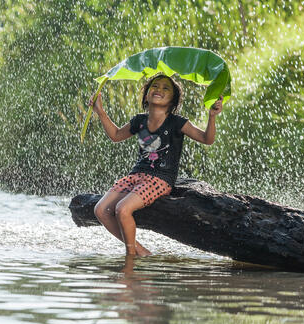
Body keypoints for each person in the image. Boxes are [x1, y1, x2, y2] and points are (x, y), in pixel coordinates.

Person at [88, 74, 223, 257]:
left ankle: (130, 258)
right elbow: (116, 136)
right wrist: (101, 112)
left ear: (173, 100)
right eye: (155, 86)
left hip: (160, 179)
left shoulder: (178, 122)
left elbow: (207, 139)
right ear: (146, 95)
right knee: (100, 210)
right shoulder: (139, 121)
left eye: (166, 88)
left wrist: (212, 116)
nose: (159, 89)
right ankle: (141, 251)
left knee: (122, 209)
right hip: (136, 175)